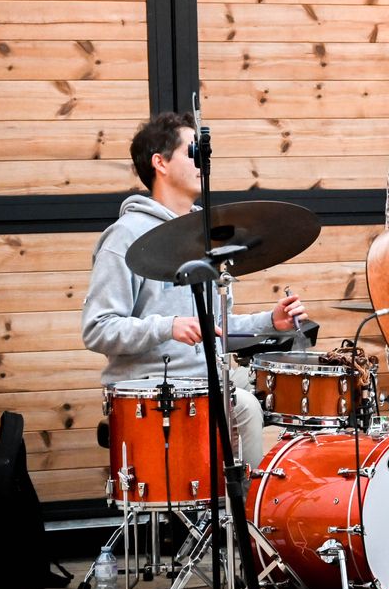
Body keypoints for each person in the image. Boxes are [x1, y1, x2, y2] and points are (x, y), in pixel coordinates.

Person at [82, 112, 307, 472]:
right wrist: (167, 326)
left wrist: (271, 322)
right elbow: (97, 328)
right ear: (160, 163)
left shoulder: (204, 235)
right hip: (154, 389)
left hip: (206, 377)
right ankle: (245, 506)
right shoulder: (125, 237)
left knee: (294, 388)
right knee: (246, 407)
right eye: (192, 152)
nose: (203, 161)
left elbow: (215, 329)